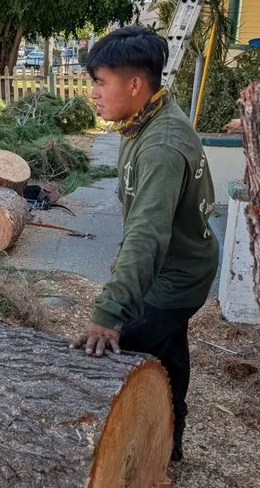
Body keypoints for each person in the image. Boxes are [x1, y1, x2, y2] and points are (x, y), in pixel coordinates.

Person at [69, 26, 219, 462]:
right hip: (174, 265)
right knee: (170, 352)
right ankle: (170, 447)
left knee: (119, 358)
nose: (93, 93)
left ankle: (128, 456)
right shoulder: (143, 122)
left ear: (135, 85)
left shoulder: (162, 144)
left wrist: (108, 316)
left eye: (101, 82)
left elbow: (148, 235)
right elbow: (146, 220)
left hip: (177, 275)